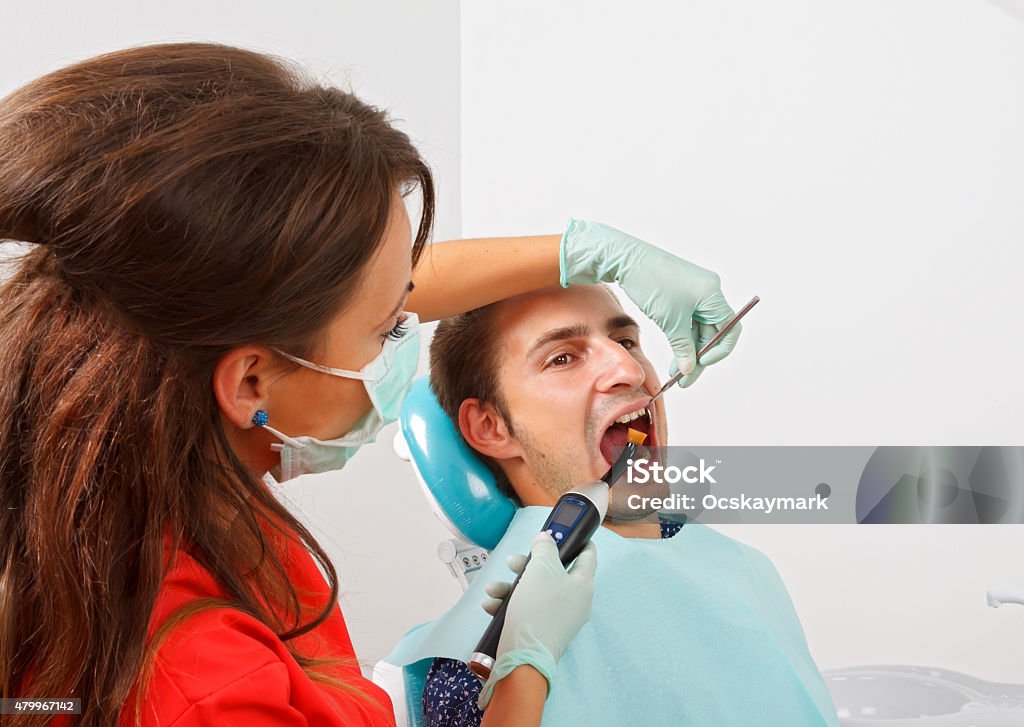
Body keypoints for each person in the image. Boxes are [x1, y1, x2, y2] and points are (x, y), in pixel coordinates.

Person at [0, 43, 742, 726]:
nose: (625, 369)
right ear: (250, 377)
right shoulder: (205, 688)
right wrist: (524, 671)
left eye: (623, 337)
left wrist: (590, 253)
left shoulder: (179, 492)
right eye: (390, 325)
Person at [403, 282, 839, 726]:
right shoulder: (483, 665)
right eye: (563, 357)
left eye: (626, 341)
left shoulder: (738, 564)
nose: (629, 368)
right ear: (492, 428)